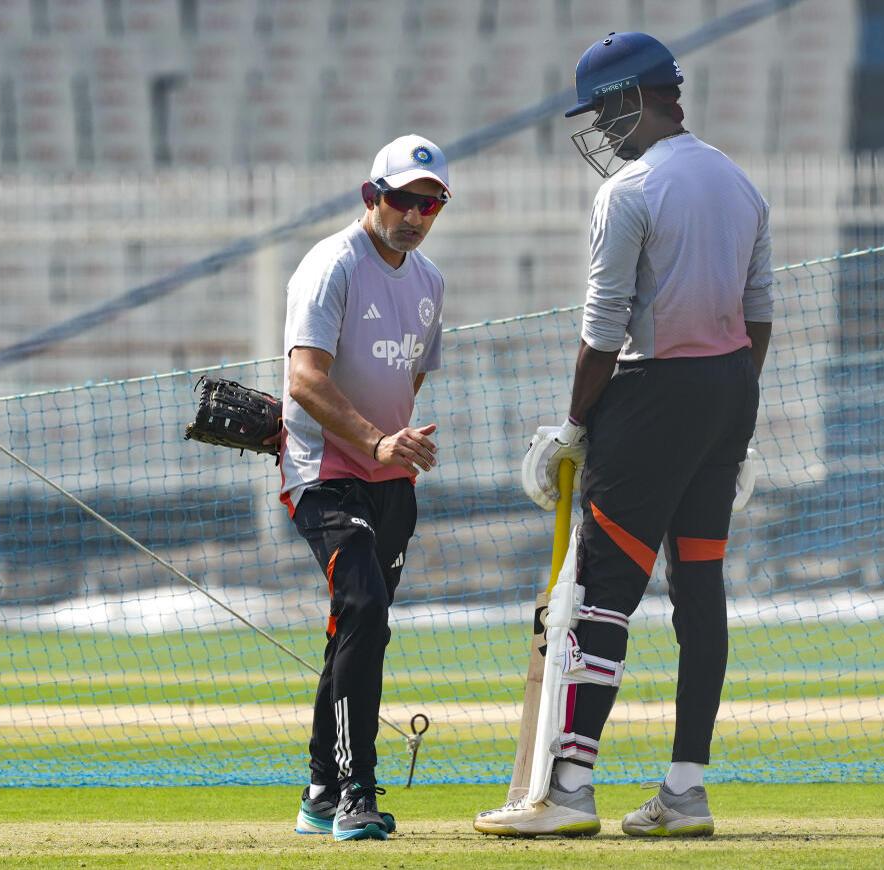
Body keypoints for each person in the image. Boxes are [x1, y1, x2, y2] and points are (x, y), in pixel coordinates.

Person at [480, 32, 773, 837]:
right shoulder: (741, 184)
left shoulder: (631, 191)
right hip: (726, 389)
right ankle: (685, 792)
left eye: (605, 113)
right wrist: (734, 418)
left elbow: (604, 329)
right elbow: (759, 319)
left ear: (632, 98)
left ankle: (568, 790)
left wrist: (574, 426)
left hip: (648, 396)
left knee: (603, 593)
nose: (602, 133)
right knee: (699, 592)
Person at [281, 133, 450, 842]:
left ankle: (321, 787)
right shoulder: (332, 265)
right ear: (369, 196)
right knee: (364, 607)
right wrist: (374, 439)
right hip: (325, 473)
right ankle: (357, 791)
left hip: (393, 480)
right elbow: (303, 377)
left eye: (430, 203)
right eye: (402, 199)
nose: (413, 214)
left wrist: (396, 445)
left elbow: (409, 377)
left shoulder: (430, 282)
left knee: (360, 623)